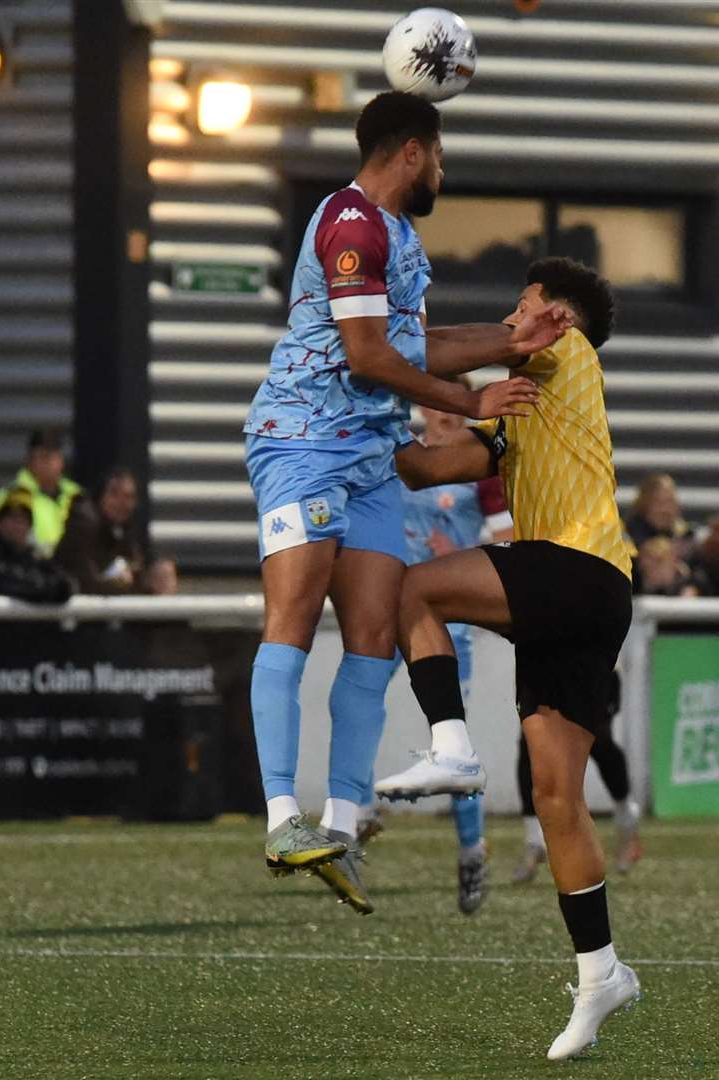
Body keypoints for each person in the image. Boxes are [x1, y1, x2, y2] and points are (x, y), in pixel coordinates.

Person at [240, 90, 569, 905]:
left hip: (372, 456)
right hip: (305, 442)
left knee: (374, 636)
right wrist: (473, 400)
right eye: (442, 156)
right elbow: (363, 356)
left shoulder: (398, 238)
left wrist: (510, 339)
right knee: (289, 619)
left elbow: (415, 344)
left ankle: (342, 828)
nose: (443, 173)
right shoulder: (350, 224)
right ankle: (283, 817)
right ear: (413, 153)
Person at [374, 258, 641, 1061]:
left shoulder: (566, 354)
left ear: (556, 317)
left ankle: (451, 748)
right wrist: (354, 438)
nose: (509, 317)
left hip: (576, 568)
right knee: (557, 799)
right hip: (595, 596)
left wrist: (369, 349)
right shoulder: (531, 407)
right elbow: (424, 467)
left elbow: (452, 350)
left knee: (412, 589)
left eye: (521, 304)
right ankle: (602, 973)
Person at [357, 402, 515, 915]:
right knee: (356, 703)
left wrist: (463, 554)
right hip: (391, 611)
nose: (443, 415)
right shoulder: (403, 458)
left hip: (449, 625)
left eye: (454, 406)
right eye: (436, 404)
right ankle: (356, 814)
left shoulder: (479, 468)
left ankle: (471, 849)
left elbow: (509, 535)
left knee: (452, 744)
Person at [513, 670, 642, 882]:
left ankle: (627, 815)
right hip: (542, 664)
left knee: (598, 741)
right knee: (530, 744)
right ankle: (534, 840)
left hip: (590, 661)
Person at [0, 428, 82, 556]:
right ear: (28, 460)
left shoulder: (77, 496)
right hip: (27, 569)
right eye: (43, 457)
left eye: (53, 457)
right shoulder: (9, 497)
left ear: (61, 461)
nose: (49, 463)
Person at [53, 468, 149, 595]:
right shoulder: (84, 523)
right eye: (114, 494)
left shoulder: (124, 528)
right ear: (100, 495)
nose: (122, 503)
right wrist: (120, 584)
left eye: (128, 496)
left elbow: (136, 570)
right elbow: (86, 583)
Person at [0, 489, 73, 604]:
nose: (18, 525)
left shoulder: (35, 556)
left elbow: (65, 586)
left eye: (24, 519)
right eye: (12, 517)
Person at [624, 473, 694, 549]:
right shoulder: (626, 540)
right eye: (659, 503)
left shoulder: (685, 537)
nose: (665, 510)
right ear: (644, 505)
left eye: (670, 501)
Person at [632, 535, 704, 597]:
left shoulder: (688, 586)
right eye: (645, 568)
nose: (650, 573)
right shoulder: (633, 585)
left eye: (658, 563)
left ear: (673, 563)